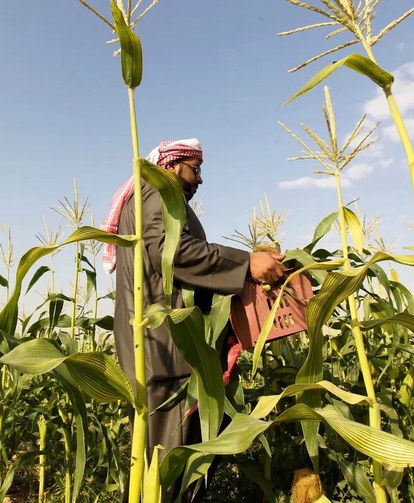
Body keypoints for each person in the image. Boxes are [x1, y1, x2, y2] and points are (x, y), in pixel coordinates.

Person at [102, 138, 285, 501]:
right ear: (171, 166)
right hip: (167, 352)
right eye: (194, 169)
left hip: (168, 349)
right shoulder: (156, 194)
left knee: (173, 466)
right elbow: (169, 254)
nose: (200, 179)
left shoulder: (161, 200)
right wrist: (243, 263)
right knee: (169, 469)